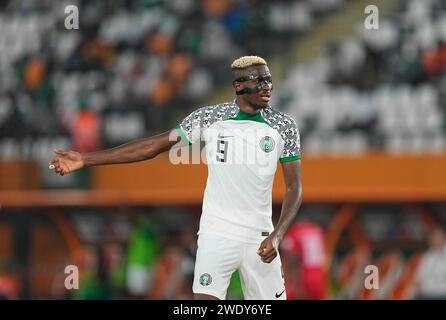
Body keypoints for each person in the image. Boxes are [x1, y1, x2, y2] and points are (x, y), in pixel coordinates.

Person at [48, 56, 303, 300]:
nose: (267, 86)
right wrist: (86, 159)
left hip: (261, 238)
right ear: (238, 85)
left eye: (268, 79)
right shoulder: (209, 118)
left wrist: (278, 235)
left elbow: (294, 187)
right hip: (217, 233)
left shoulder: (284, 126)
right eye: (258, 81)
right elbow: (151, 147)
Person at [281, 220, 327, 300]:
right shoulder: (317, 230)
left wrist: (296, 285)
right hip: (319, 277)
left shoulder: (294, 231)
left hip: (304, 278)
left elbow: (292, 260)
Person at [414, 227, 446, 300]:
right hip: (427, 292)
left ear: (443, 238)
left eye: (437, 237)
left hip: (442, 292)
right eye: (432, 238)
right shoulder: (427, 255)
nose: (434, 240)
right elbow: (419, 275)